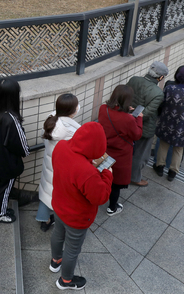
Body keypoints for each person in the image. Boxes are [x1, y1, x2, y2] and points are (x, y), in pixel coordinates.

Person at [50, 122, 113, 290]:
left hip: (58, 204)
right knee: (72, 249)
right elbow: (100, 197)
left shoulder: (61, 146)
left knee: (57, 233)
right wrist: (107, 172)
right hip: (76, 217)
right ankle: (66, 281)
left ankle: (55, 261)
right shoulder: (88, 172)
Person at [0, 78, 30, 223]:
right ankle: (0, 214)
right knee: (5, 189)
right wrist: (26, 152)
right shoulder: (12, 119)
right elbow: (22, 146)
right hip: (8, 162)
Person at [37, 93, 80, 232]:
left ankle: (43, 218)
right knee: (60, 195)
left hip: (49, 164)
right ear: (73, 111)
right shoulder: (72, 131)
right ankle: (58, 221)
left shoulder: (51, 120)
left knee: (46, 190)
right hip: (62, 168)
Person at [98, 85, 142, 216]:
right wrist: (139, 118)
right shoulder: (128, 119)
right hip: (121, 155)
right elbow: (137, 135)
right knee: (115, 183)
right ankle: (112, 208)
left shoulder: (103, 109)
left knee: (102, 176)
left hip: (104, 150)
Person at [127, 61, 168, 187]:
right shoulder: (158, 93)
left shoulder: (133, 80)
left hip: (126, 121)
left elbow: (125, 97)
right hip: (144, 128)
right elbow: (146, 113)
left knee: (126, 149)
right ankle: (134, 177)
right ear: (160, 77)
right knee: (141, 154)